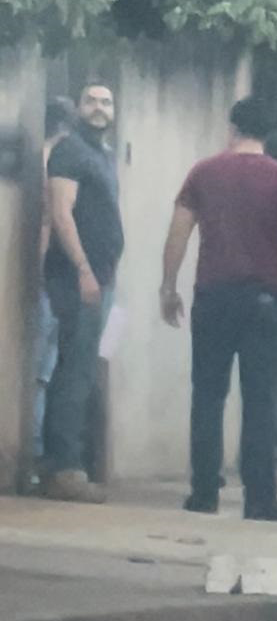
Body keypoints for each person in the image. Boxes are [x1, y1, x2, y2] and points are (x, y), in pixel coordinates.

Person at [160, 97, 277, 522]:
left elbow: (178, 232)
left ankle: (204, 491)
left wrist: (168, 286)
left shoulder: (203, 173)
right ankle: (260, 497)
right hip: (267, 300)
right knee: (261, 399)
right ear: (268, 134)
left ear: (232, 129)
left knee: (208, 394)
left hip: (214, 296)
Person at [42, 83, 123, 503]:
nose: (99, 108)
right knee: (74, 369)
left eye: (106, 102)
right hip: (79, 277)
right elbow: (61, 213)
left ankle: (69, 464)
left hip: (100, 277)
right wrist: (84, 269)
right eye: (91, 100)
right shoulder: (71, 151)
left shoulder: (102, 155)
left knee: (83, 367)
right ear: (77, 107)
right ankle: (63, 468)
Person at [31, 97, 76, 474]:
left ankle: (40, 455)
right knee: (46, 374)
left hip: (56, 278)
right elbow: (50, 218)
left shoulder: (47, 158)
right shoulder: (61, 161)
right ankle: (40, 454)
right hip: (59, 278)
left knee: (45, 374)